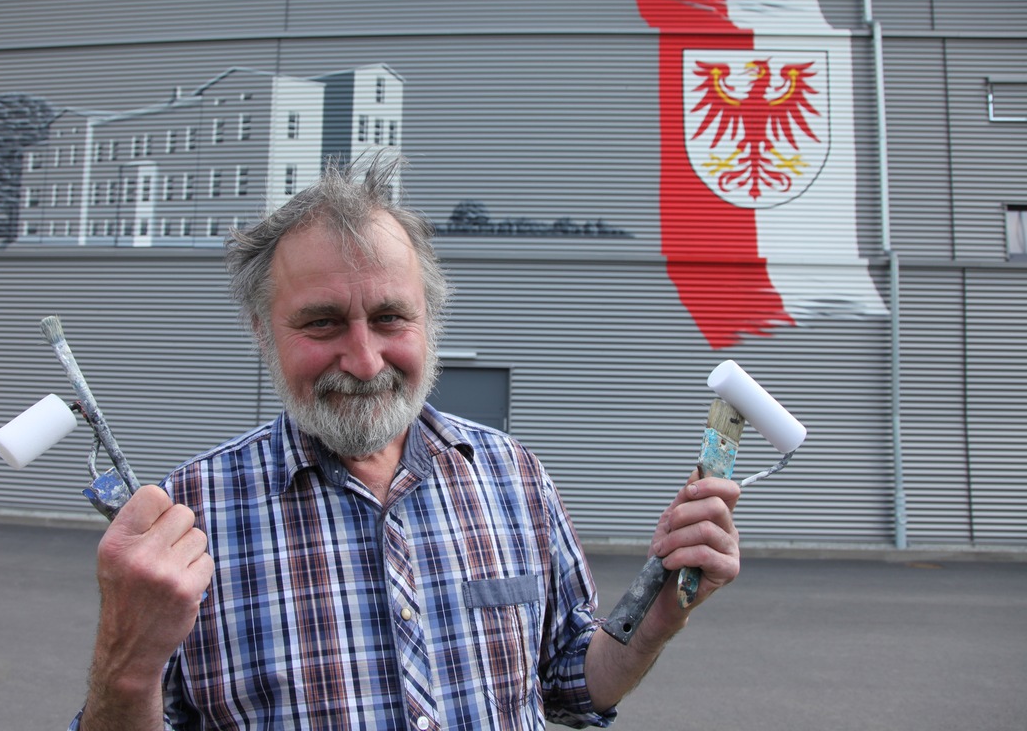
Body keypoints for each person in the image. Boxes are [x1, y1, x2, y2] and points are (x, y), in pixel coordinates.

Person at [71, 154, 740, 730]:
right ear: (261, 329)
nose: (364, 360)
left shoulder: (515, 479)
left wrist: (656, 618)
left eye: (390, 317)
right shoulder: (185, 520)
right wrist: (125, 664)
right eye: (322, 323)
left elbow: (570, 683)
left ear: (431, 319)